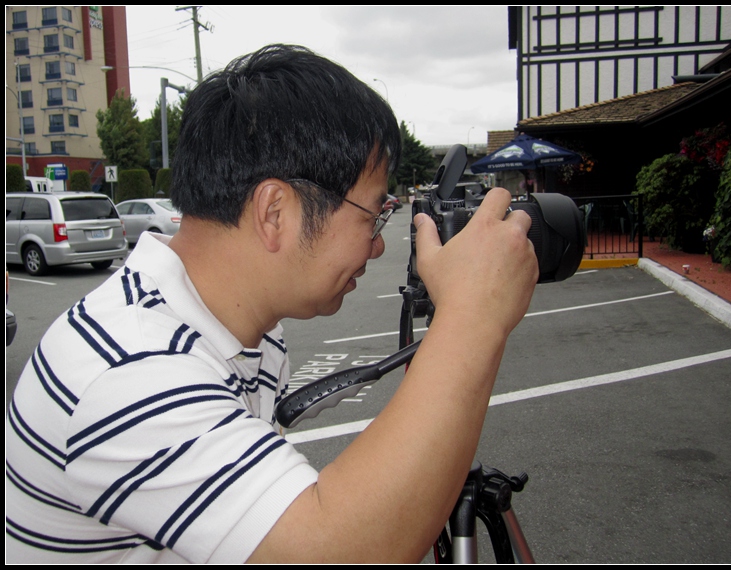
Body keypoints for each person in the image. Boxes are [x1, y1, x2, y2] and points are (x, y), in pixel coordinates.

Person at [5, 44, 538, 563]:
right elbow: (338, 551)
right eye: (373, 215)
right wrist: (473, 314)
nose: (377, 245)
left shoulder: (243, 328)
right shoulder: (129, 366)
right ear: (275, 211)